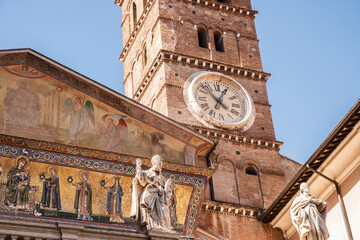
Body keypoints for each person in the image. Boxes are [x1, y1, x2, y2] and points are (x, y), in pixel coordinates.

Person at [130, 155, 175, 232]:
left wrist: (163, 190)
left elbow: (166, 190)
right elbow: (142, 182)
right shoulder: (147, 173)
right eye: (158, 163)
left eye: (160, 163)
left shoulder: (162, 178)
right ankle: (152, 225)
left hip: (160, 198)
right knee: (150, 202)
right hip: (149, 193)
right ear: (153, 163)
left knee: (165, 209)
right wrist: (138, 168)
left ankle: (163, 226)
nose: (160, 165)